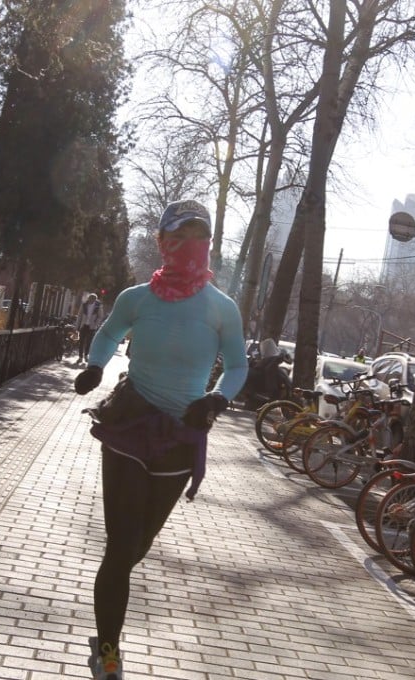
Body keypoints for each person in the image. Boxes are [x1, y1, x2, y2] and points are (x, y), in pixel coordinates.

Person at [73, 198, 248, 680]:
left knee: (138, 546)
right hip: (130, 423)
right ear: (163, 243)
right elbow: (108, 334)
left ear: (209, 246)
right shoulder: (137, 299)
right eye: (181, 235)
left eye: (201, 236)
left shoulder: (222, 308)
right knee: (120, 543)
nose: (191, 245)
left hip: (181, 433)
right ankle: (108, 650)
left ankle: (107, 619)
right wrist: (95, 365)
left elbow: (237, 365)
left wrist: (216, 400)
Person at [77, 292, 103, 362]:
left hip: (91, 327)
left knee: (89, 342)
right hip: (84, 325)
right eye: (90, 299)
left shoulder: (98, 306)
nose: (90, 300)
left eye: (92, 299)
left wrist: (96, 324)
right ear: (88, 298)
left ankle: (86, 355)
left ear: (95, 299)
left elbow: (100, 317)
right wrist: (77, 325)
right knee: (81, 341)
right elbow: (79, 315)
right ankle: (80, 357)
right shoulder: (84, 304)